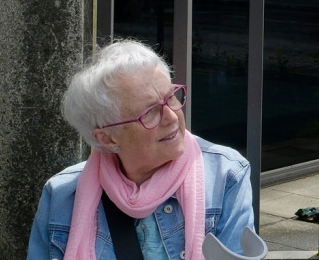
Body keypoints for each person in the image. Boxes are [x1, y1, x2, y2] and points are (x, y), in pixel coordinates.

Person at [27, 39, 255, 259]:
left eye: (171, 98)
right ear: (106, 138)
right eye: (150, 112)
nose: (171, 118)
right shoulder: (61, 195)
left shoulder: (226, 176)